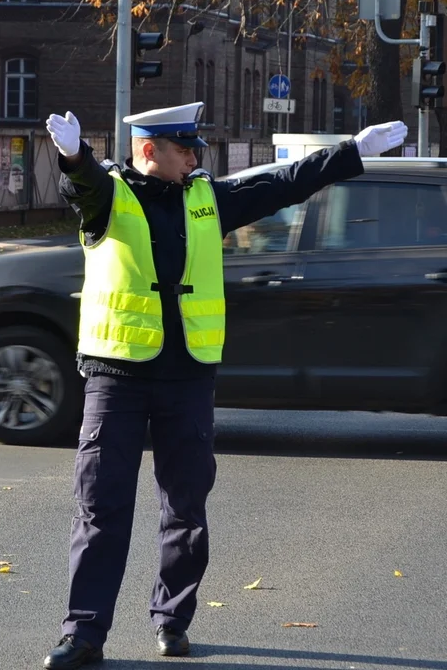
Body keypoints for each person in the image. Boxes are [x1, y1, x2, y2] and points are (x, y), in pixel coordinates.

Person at [43, 102, 407, 669]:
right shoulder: (108, 196)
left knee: (186, 508)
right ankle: (83, 632)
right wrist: (73, 155)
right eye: (184, 148)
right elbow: (84, 184)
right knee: (100, 508)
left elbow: (280, 184)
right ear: (149, 150)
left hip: (187, 375)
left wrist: (351, 152)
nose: (194, 157)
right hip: (117, 376)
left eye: (194, 150)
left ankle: (172, 620)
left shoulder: (205, 198)